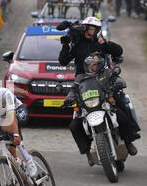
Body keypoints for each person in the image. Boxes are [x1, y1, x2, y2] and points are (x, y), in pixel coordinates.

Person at [58, 17, 140, 159]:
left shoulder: (100, 43)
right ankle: (87, 151)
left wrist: (106, 43)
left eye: (94, 28)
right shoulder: (77, 45)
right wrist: (65, 45)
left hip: (103, 79)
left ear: (97, 30)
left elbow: (118, 51)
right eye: (89, 27)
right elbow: (63, 61)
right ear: (84, 28)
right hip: (82, 82)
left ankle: (128, 141)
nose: (91, 30)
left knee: (122, 104)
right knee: (74, 124)